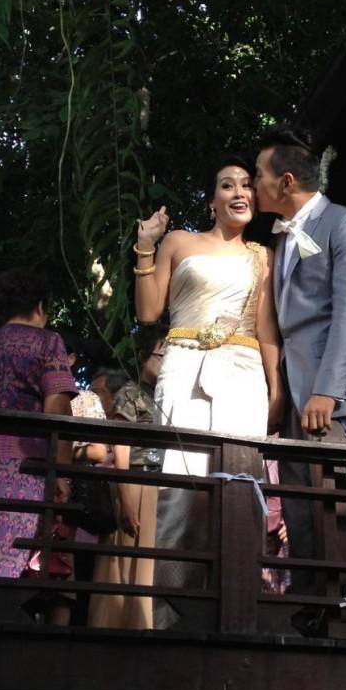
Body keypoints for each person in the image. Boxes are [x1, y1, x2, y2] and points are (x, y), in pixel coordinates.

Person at [134, 155, 285, 628]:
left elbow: (266, 330)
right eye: (227, 185)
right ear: (211, 201)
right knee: (182, 488)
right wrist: (145, 247)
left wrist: (276, 389)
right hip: (184, 366)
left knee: (240, 487)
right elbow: (148, 313)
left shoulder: (262, 256)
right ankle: (168, 616)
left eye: (246, 184)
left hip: (243, 373)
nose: (239, 192)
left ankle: (237, 614)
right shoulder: (179, 242)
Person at [254, 124, 346, 600]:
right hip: (292, 396)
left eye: (259, 175)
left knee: (337, 513)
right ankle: (309, 608)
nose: (254, 184)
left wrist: (328, 389)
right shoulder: (281, 239)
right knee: (300, 513)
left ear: (285, 181)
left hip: (332, 397)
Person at [0, 270, 76, 594]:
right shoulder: (48, 342)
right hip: (26, 470)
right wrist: (62, 473)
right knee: (13, 562)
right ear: (40, 306)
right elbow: (57, 411)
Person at [88, 325, 166, 629]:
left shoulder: (167, 395)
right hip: (137, 478)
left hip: (161, 481)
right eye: (161, 355)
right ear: (145, 356)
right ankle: (116, 626)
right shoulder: (130, 393)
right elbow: (121, 446)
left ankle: (146, 624)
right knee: (125, 560)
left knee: (150, 560)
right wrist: (126, 498)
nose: (166, 362)